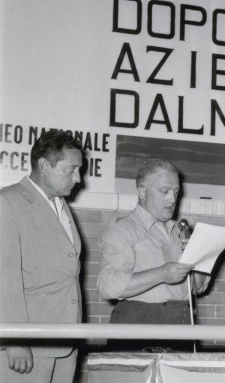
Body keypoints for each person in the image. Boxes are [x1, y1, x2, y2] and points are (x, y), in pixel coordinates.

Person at [97, 159, 210, 349]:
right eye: (164, 191)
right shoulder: (122, 230)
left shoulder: (180, 231)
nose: (172, 199)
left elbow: (197, 288)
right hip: (140, 324)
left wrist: (199, 257)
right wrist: (162, 274)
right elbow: (108, 286)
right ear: (142, 193)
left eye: (176, 192)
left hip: (181, 322)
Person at [0, 130, 84, 381]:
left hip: (65, 343)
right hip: (27, 348)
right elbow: (4, 277)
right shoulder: (7, 202)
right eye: (71, 169)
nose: (78, 178)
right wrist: (14, 339)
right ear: (45, 165)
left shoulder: (60, 204)